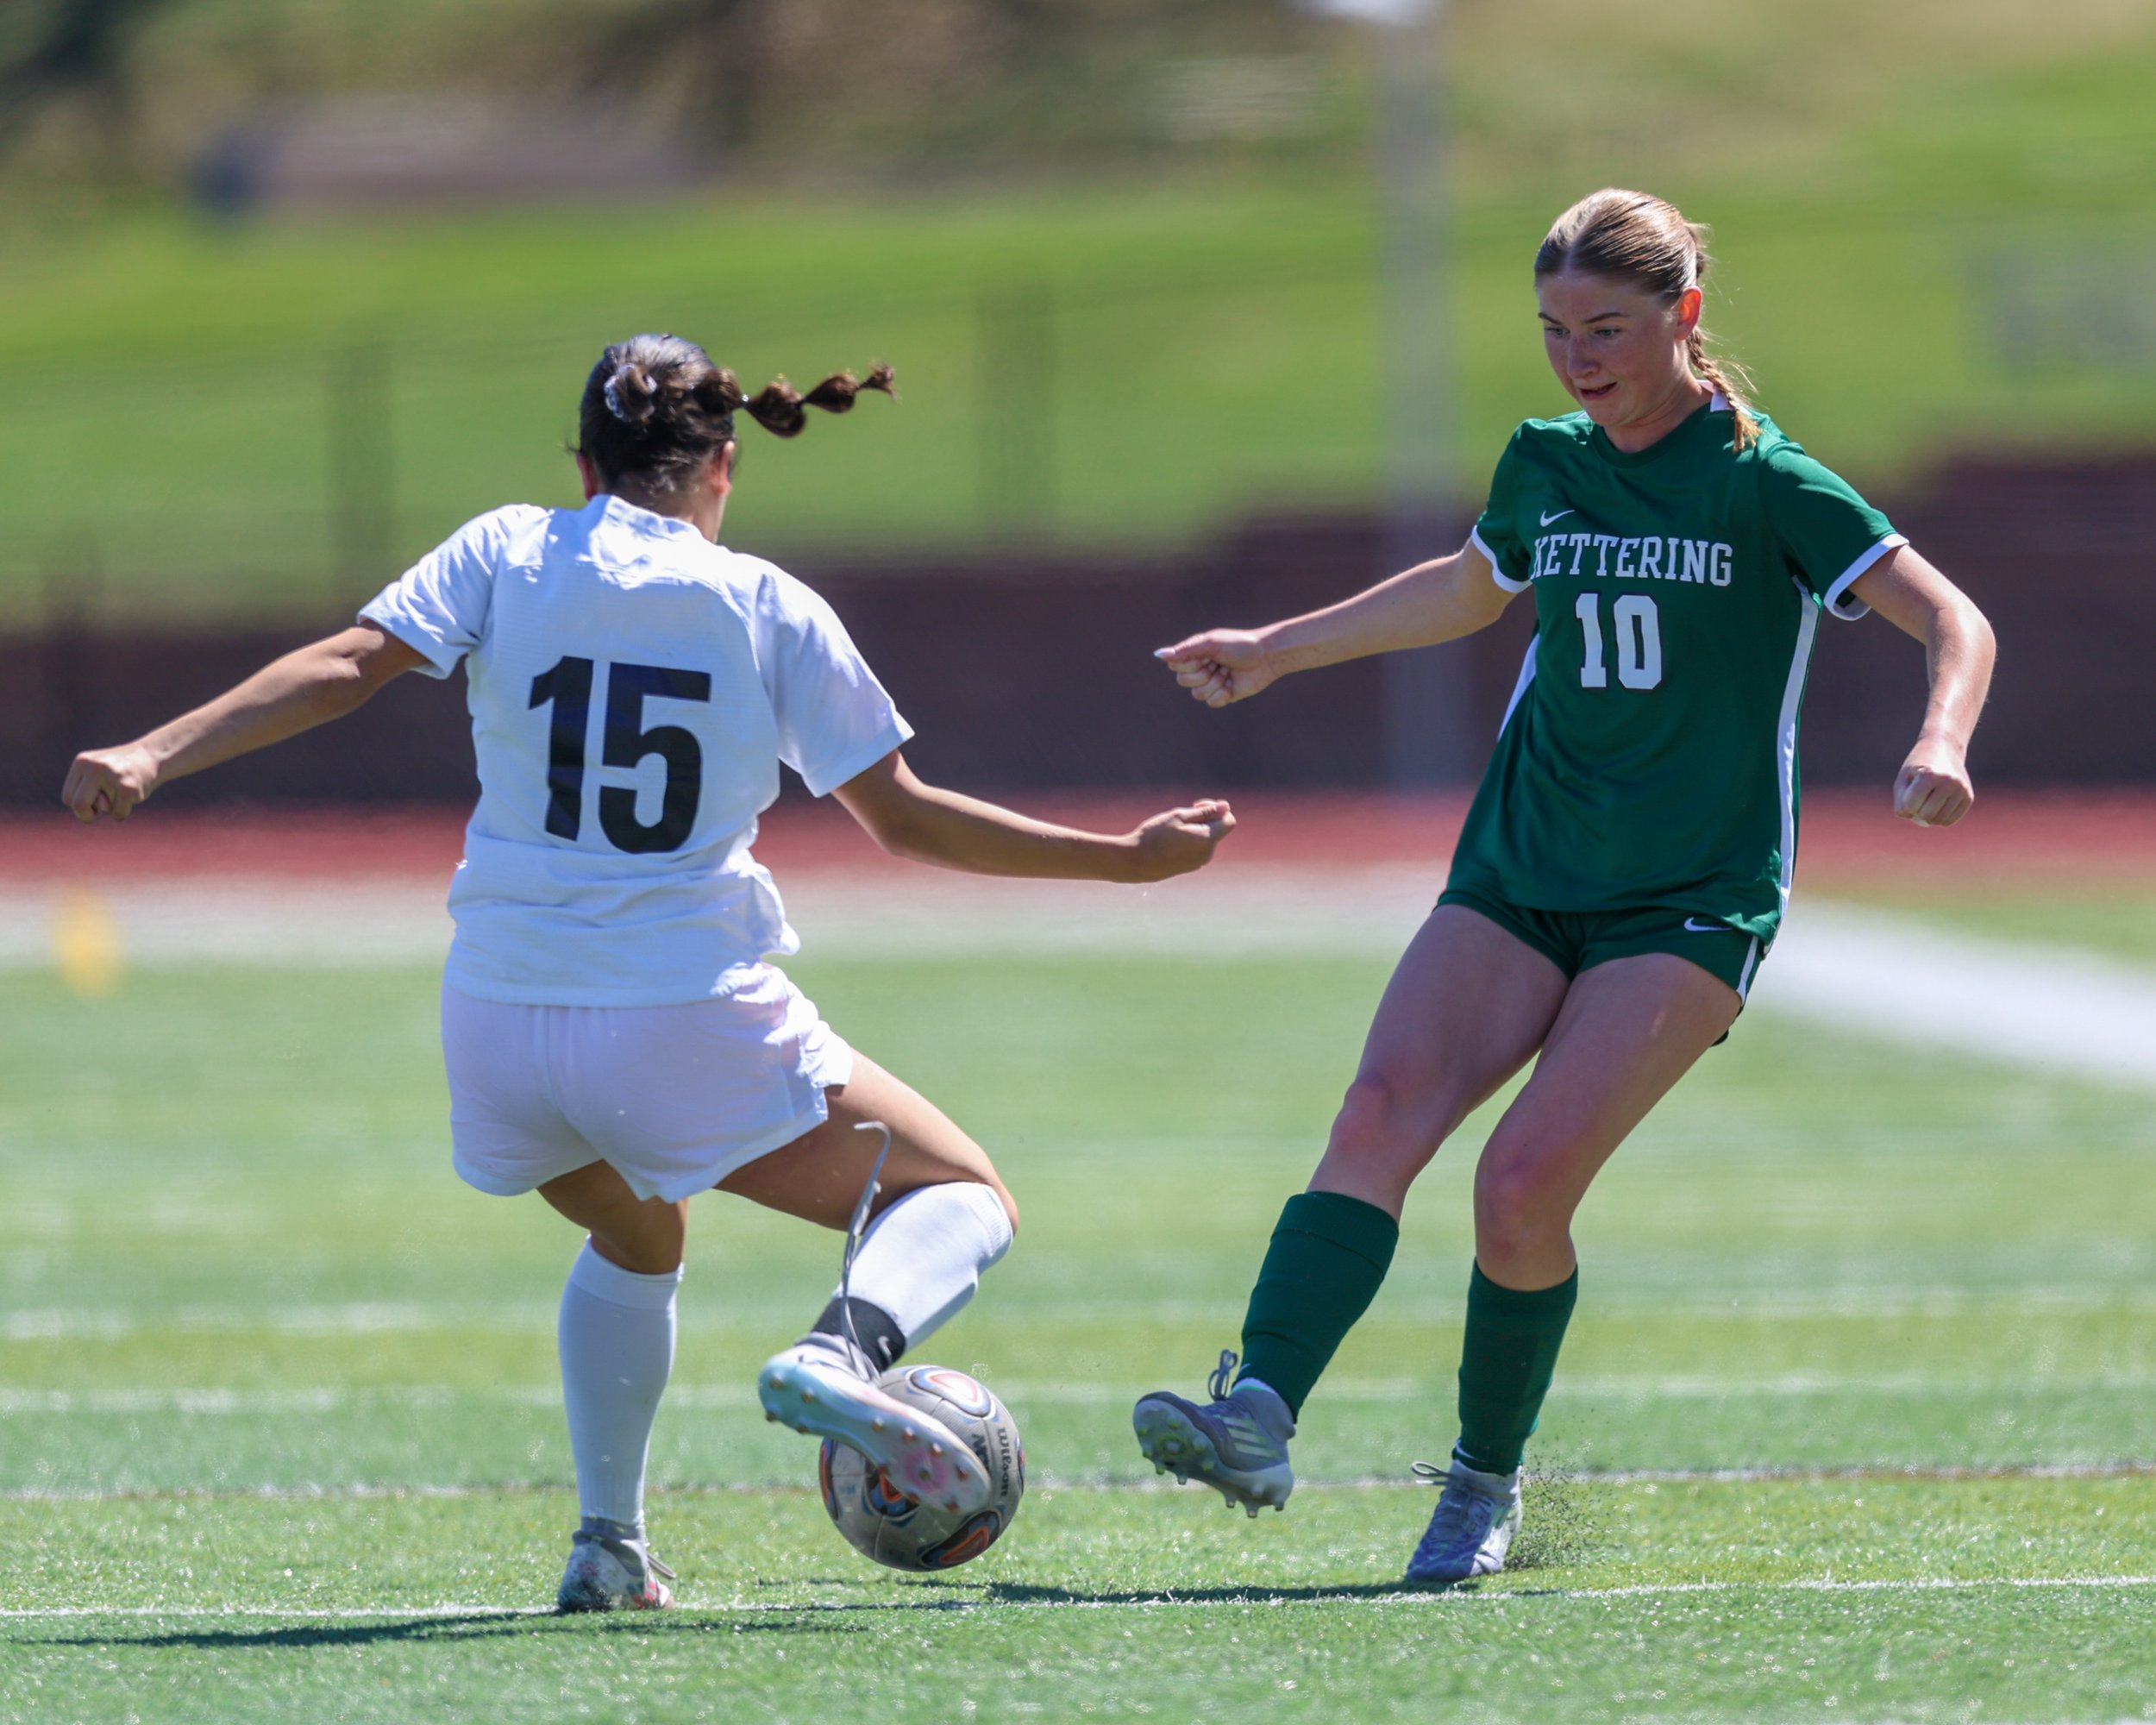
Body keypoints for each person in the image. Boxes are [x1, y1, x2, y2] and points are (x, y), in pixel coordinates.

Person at [63, 333, 1237, 1612]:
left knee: (638, 1228)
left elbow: (348, 665)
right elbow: (906, 819)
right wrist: (1125, 863)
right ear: (724, 466)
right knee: (964, 1194)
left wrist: (156, 751)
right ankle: (840, 1353)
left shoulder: (507, 547)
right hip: (678, 1018)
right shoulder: (766, 602)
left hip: (497, 1030)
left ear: (583, 465)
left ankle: (609, 1547)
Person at [1130, 189, 1996, 1584]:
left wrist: (1940, 735)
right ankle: (1258, 1414)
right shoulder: (1547, 461)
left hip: (1691, 900)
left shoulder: (1769, 479)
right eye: (1553, 331)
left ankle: (1481, 1485)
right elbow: (1472, 589)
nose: (1578, 357)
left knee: (1521, 1185)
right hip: (1525, 862)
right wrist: (1279, 647)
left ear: (1683, 318)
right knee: (1377, 1109)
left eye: (1606, 327)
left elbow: (1956, 617)